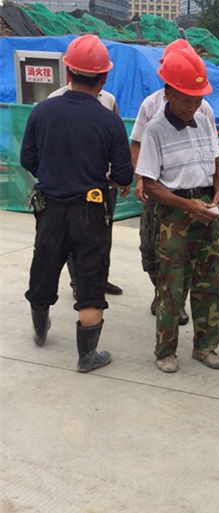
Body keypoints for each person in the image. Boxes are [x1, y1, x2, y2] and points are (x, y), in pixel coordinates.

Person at [20, 34, 133, 372]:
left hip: (50, 208)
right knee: (90, 278)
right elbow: (123, 174)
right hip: (90, 210)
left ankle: (40, 330)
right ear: (103, 77)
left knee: (44, 268)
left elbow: (28, 159)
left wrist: (54, 174)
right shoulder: (108, 119)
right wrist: (103, 177)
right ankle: (87, 356)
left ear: (68, 72)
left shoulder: (42, 111)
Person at [135, 48, 219, 373]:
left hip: (206, 209)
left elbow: (218, 164)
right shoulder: (155, 130)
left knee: (209, 283)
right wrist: (188, 205)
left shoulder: (203, 121)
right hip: (174, 215)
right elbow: (150, 185)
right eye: (186, 100)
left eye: (197, 99)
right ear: (169, 92)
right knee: (172, 286)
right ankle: (166, 351)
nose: (192, 106)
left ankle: (206, 346)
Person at [49, 59, 126, 299]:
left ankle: (98, 280)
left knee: (102, 233)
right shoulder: (54, 101)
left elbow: (115, 142)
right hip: (68, 185)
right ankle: (78, 283)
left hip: (102, 184)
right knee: (72, 235)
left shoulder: (108, 100)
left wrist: (118, 178)